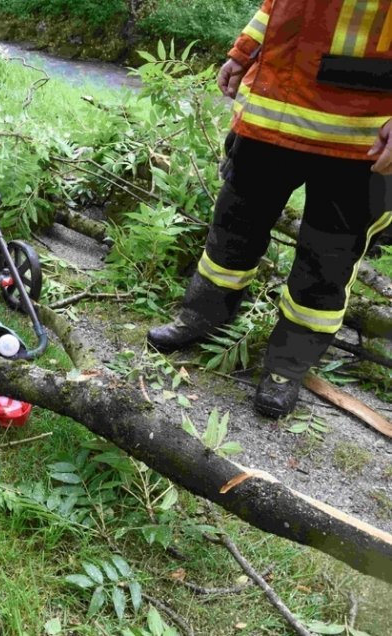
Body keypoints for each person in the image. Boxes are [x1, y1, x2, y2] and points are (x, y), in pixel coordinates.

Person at [147, 0, 392, 418]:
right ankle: (202, 318)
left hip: (355, 138)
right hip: (269, 113)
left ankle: (286, 367)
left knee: (327, 260)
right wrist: (245, 51)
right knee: (232, 230)